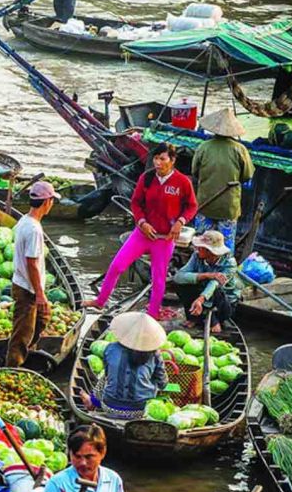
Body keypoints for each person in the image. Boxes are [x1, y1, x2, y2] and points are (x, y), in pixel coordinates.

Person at [88, 145, 196, 319]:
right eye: (156, 158)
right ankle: (100, 301)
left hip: (164, 238)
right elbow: (136, 203)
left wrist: (181, 222)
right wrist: (142, 222)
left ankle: (153, 313)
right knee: (117, 266)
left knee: (158, 278)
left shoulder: (182, 182)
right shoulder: (146, 178)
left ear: (172, 160)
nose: (158, 163)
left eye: (163, 159)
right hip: (142, 234)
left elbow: (191, 206)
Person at [8, 181, 59, 367]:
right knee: (22, 334)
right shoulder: (34, 229)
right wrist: (39, 293)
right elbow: (32, 263)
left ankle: (29, 357)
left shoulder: (24, 221)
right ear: (47, 202)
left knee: (42, 319)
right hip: (27, 288)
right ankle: (13, 368)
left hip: (23, 283)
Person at [192, 105, 255, 251]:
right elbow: (247, 175)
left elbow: (195, 171)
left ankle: (200, 268)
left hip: (205, 203)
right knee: (226, 246)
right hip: (228, 207)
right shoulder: (240, 149)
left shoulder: (203, 147)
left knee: (201, 243)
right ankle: (224, 271)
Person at [96, 312, 168, 413]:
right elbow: (163, 383)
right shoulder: (154, 354)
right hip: (141, 410)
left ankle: (94, 402)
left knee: (102, 378)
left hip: (110, 406)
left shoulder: (111, 348)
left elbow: (108, 374)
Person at [173, 229, 238, 330]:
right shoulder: (196, 256)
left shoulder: (229, 263)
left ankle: (214, 320)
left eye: (201, 247)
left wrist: (201, 299)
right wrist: (207, 275)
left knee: (216, 289)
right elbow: (179, 276)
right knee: (180, 284)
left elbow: (214, 284)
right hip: (202, 294)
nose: (197, 248)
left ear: (210, 251)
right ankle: (194, 317)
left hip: (223, 303)